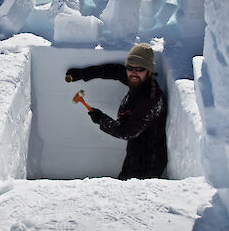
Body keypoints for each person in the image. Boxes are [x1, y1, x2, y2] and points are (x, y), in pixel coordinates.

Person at [65, 43, 167, 180]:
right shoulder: (138, 81)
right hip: (136, 152)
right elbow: (115, 72)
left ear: (149, 71)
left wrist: (101, 119)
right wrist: (82, 74)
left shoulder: (150, 100)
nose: (133, 72)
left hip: (148, 165)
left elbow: (127, 132)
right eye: (130, 68)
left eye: (140, 69)